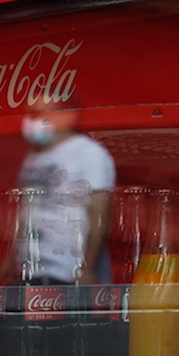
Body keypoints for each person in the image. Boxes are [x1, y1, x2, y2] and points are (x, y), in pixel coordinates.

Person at [17, 98, 115, 284]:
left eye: (39, 113)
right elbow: (25, 211)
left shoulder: (88, 153)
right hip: (32, 268)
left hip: (68, 270)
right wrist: (11, 260)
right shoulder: (33, 156)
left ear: (68, 115)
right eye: (29, 113)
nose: (31, 120)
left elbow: (100, 212)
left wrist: (87, 268)